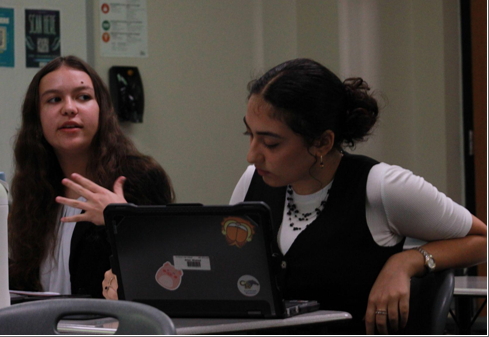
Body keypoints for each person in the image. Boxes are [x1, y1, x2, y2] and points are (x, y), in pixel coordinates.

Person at [102, 58, 487, 335]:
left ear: (322, 142)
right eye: (249, 135)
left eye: (270, 142)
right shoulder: (254, 181)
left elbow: (480, 240)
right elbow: (225, 274)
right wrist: (137, 274)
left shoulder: (382, 187)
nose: (253, 155)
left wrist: (407, 261)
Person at [0, 55, 174, 298]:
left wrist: (121, 219)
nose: (69, 108)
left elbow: (167, 269)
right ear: (37, 118)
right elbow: (28, 290)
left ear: (101, 109)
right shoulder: (35, 190)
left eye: (83, 97)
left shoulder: (138, 177)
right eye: (54, 99)